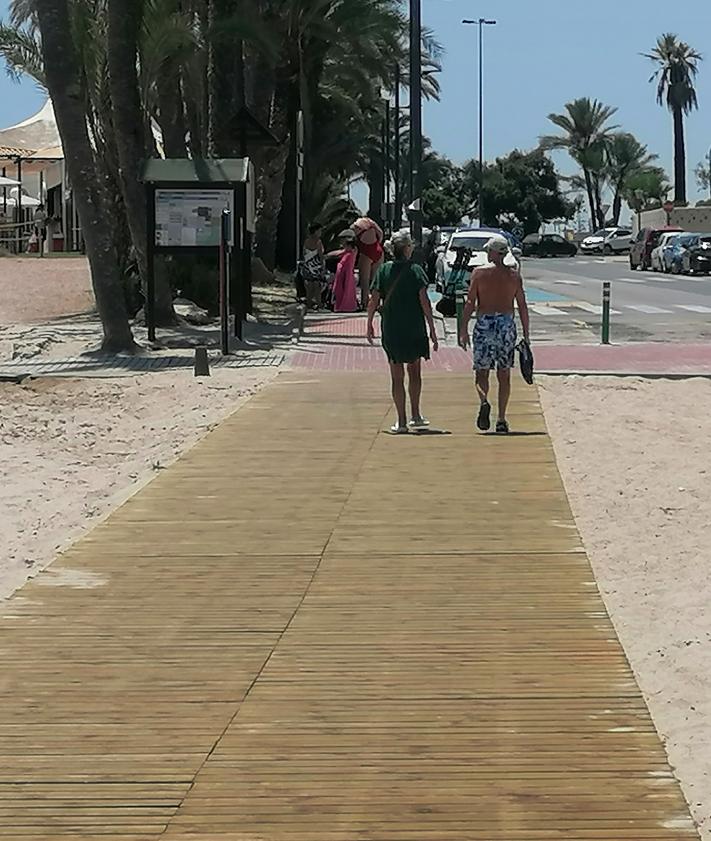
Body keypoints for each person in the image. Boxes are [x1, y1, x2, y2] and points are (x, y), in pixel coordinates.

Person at [367, 230, 438, 434]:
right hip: (414, 327)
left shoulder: (383, 271)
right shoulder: (416, 270)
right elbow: (425, 302)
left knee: (396, 375)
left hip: (392, 328)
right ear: (407, 248)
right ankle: (416, 415)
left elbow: (374, 299)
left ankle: (402, 421)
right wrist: (432, 329)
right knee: (414, 372)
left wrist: (369, 323)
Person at [459, 235, 530, 435]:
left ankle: (483, 401)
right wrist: (526, 334)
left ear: (494, 252)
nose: (486, 253)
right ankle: (501, 418)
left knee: (481, 371)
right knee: (504, 372)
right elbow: (522, 306)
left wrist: (463, 328)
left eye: (488, 250)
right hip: (506, 324)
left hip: (485, 323)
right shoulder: (514, 276)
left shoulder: (479, 274)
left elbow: (470, 303)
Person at [351, 216, 384, 309]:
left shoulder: (356, 225)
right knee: (375, 282)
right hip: (377, 249)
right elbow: (381, 234)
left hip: (366, 251)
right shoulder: (371, 223)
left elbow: (351, 238)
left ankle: (365, 303)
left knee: (364, 281)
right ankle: (375, 304)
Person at [332, 229, 358, 312]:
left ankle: (345, 306)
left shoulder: (351, 253)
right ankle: (341, 305)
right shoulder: (348, 252)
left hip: (346, 274)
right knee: (341, 290)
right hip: (344, 274)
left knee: (345, 290)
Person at [301, 223, 325, 309]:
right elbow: (321, 255)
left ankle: (309, 304)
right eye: (319, 231)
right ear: (315, 231)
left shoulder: (306, 241)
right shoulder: (318, 242)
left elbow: (304, 253)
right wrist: (323, 266)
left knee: (309, 287)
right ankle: (319, 305)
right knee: (317, 287)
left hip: (307, 265)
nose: (320, 232)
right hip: (316, 266)